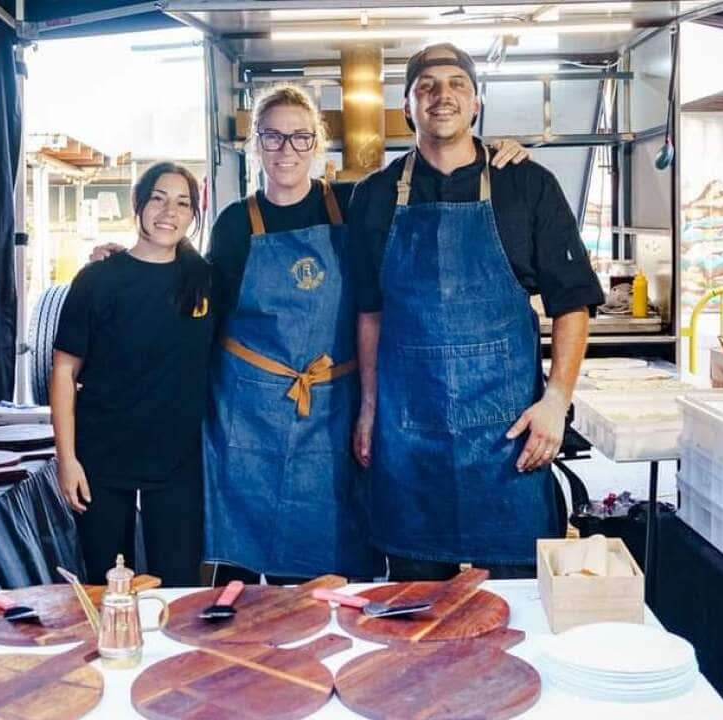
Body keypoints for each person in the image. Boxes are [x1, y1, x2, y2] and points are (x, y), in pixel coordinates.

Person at [204, 85, 535, 585]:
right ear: (256, 144)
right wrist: (136, 255)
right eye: (272, 138)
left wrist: (495, 153)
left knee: (330, 560)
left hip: (336, 407)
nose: (286, 151)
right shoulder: (232, 224)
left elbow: (430, 168)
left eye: (299, 137)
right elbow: (200, 309)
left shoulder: (353, 203)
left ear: (317, 143)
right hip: (250, 414)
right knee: (243, 574)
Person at [350, 43, 605, 581]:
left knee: (514, 605)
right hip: (408, 432)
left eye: (456, 85)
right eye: (427, 86)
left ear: (476, 104)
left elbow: (572, 302)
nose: (442, 96)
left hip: (507, 436)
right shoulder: (374, 196)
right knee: (415, 611)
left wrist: (556, 403)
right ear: (407, 107)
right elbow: (369, 312)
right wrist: (369, 408)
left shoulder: (527, 184)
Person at [50, 162, 213, 587]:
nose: (168, 211)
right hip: (102, 457)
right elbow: (64, 371)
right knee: (108, 587)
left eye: (182, 202)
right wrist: (67, 460)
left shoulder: (206, 281)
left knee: (178, 589)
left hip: (178, 463)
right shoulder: (96, 280)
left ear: (194, 214)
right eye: (158, 198)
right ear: (137, 205)